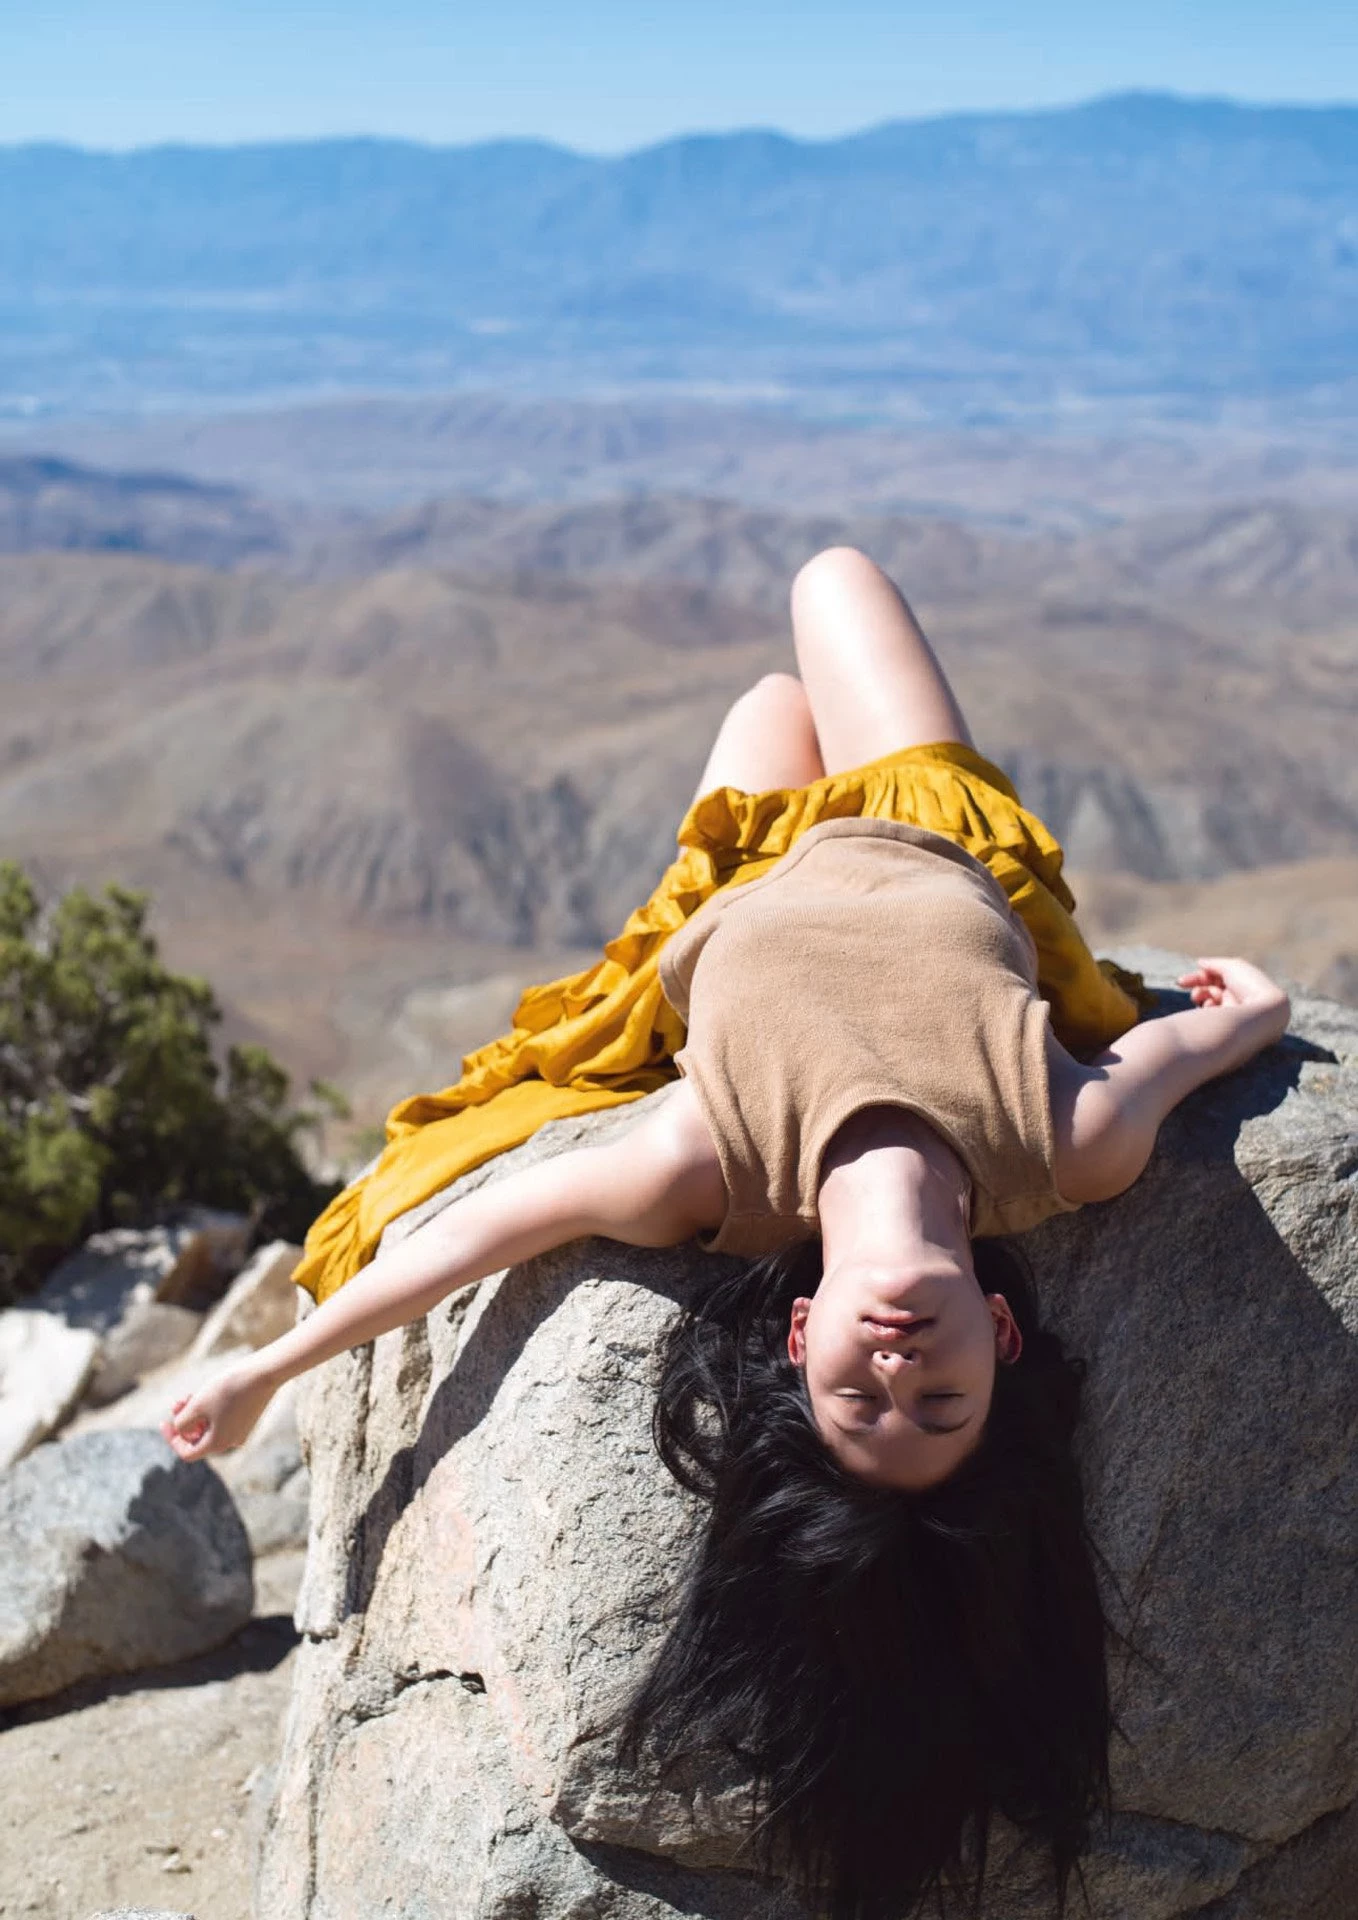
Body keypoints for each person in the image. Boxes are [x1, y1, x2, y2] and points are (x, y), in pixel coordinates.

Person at [163, 548, 1291, 1919]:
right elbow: (1188, 1043)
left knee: (772, 684)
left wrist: (262, 1370)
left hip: (741, 875)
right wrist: (1259, 1010)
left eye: (853, 1396)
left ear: (799, 1333)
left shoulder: (700, 1169)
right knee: (831, 578)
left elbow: (465, 1245)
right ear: (1000, 1337)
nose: (893, 1365)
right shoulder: (1067, 1151)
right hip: (922, 826)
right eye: (934, 1401)